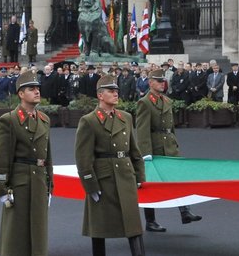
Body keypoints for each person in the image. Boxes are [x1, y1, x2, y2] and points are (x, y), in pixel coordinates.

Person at [75, 75, 146, 256]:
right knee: (99, 227)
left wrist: (139, 176)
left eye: (116, 91)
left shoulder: (126, 117)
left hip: (125, 175)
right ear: (100, 96)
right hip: (104, 179)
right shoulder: (89, 121)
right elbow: (83, 157)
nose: (116, 94)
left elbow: (134, 150)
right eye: (111, 91)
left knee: (134, 226)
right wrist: (90, 184)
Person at [0, 70, 53, 256]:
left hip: (39, 181)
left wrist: (50, 184)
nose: (37, 92)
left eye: (38, 89)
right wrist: (2, 188)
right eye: (31, 89)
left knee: (38, 232)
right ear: (21, 93)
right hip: (20, 183)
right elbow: (1, 157)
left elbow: (47, 155)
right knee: (16, 234)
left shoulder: (44, 119)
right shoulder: (9, 120)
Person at [136, 70, 202, 232]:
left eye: (163, 81)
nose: (162, 83)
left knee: (176, 179)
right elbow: (142, 130)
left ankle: (184, 211)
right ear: (150, 83)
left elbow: (170, 128)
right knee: (151, 184)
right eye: (158, 81)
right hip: (156, 148)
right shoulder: (145, 102)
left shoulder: (166, 100)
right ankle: (150, 221)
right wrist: (145, 153)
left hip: (169, 146)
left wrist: (175, 144)